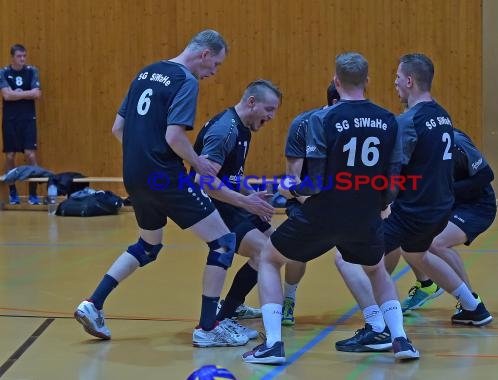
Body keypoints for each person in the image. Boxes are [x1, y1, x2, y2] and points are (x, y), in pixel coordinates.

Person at [74, 29, 250, 347]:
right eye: (216, 65)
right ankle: (209, 329)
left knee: (148, 245)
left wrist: (141, 158)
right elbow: (174, 137)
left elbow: (118, 128)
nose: (214, 73)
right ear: (205, 54)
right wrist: (198, 163)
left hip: (135, 174)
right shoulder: (186, 81)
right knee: (224, 242)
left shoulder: (146, 72)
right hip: (164, 176)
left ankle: (93, 304)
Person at [242, 52, 420, 364]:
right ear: (367, 81)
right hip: (365, 213)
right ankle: (400, 340)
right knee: (377, 270)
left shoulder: (321, 119)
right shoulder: (388, 120)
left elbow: (314, 182)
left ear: (336, 82)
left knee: (270, 259)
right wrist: (380, 206)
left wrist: (289, 189)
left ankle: (272, 344)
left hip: (323, 213)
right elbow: (393, 181)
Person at [382, 53, 492, 326]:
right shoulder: (442, 115)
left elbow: (396, 172)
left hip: (418, 208)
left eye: (397, 77)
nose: (394, 83)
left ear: (409, 81)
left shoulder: (408, 121)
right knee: (416, 252)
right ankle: (472, 306)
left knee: (354, 255)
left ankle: (380, 325)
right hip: (438, 205)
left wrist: (379, 200)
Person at [191, 79, 281, 344]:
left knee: (276, 248)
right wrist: (246, 203)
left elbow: (229, 176)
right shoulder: (225, 130)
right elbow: (203, 181)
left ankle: (233, 308)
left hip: (230, 200)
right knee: (264, 252)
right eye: (269, 109)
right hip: (212, 205)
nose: (271, 117)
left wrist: (249, 194)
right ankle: (224, 316)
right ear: (251, 102)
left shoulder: (243, 129)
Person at [384, 127, 497, 315]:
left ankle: (471, 303)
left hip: (475, 207)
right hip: (443, 203)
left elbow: (486, 176)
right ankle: (426, 284)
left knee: (437, 245)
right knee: (406, 234)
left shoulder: (457, 142)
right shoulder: (411, 147)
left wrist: (446, 189)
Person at [280, 81, 340, 326]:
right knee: (295, 251)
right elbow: (291, 179)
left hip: (347, 201)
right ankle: (288, 300)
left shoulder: (357, 124)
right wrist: (314, 203)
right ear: (335, 103)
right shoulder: (303, 125)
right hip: (309, 199)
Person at [0, 44, 42, 205]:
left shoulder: (32, 71)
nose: (22, 59)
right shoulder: (4, 72)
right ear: (12, 57)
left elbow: (37, 94)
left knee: (30, 154)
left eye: (24, 56)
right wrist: (26, 94)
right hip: (10, 119)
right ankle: (12, 193)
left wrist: (17, 93)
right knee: (10, 156)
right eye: (19, 56)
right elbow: (7, 96)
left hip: (27, 119)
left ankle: (33, 194)